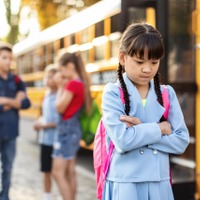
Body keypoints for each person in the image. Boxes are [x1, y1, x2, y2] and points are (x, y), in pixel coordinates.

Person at [101, 23, 190, 200]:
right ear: (122, 57)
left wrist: (141, 129)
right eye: (140, 61)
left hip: (159, 183)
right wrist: (160, 129)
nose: (147, 69)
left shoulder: (166, 93)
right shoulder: (112, 93)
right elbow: (123, 140)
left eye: (154, 62)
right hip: (125, 184)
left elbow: (181, 141)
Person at [52, 52, 91, 200]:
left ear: (69, 66)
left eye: (62, 70)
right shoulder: (80, 82)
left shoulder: (72, 84)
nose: (61, 74)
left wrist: (60, 87)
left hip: (67, 131)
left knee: (58, 172)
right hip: (73, 130)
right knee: (69, 172)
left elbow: (59, 108)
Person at [0, 42, 31, 200]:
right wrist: (14, 102)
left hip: (11, 133)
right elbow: (18, 102)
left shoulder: (17, 80)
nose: (7, 61)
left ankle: (4, 196)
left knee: (8, 167)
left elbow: (26, 103)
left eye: (9, 58)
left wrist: (4, 100)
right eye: (4, 57)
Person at [33, 64, 58, 200]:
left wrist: (45, 125)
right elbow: (43, 115)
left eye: (50, 77)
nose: (47, 80)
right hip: (45, 140)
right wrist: (39, 122)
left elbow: (60, 122)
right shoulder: (46, 95)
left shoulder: (60, 96)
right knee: (46, 171)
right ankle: (47, 196)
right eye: (46, 77)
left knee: (57, 172)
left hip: (56, 140)